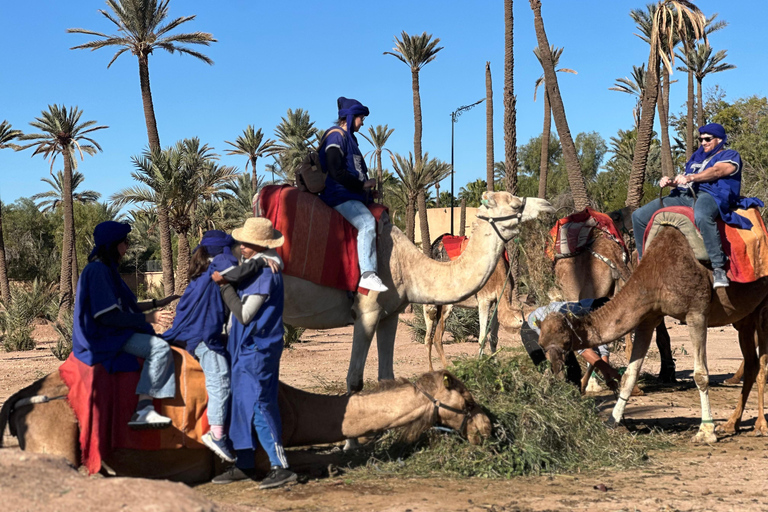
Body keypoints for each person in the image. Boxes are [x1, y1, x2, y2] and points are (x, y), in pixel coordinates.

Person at [210, 218, 297, 489]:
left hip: (257, 349)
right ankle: (245, 463)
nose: (242, 247)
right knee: (241, 404)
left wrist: (224, 287)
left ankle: (280, 466)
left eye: (247, 244)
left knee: (259, 403)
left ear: (259, 246)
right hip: (245, 348)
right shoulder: (256, 267)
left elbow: (245, 315)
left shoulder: (265, 274)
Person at [72, 221, 178, 429]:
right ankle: (144, 409)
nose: (127, 246)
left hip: (111, 331)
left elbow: (127, 306)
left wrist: (157, 303)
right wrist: (149, 318)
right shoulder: (98, 271)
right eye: (125, 242)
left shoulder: (106, 269)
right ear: (113, 245)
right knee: (159, 349)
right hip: (103, 336)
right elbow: (108, 317)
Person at [632, 123, 744, 289]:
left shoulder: (730, 155)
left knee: (702, 216)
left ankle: (718, 267)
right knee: (638, 216)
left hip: (710, 195)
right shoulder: (697, 157)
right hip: (683, 195)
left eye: (708, 139)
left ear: (719, 140)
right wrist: (671, 182)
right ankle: (643, 264)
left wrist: (691, 178)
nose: (703, 142)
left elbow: (717, 171)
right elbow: (684, 180)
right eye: (701, 139)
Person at [318, 96, 388, 293]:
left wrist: (365, 189)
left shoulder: (350, 140)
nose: (362, 123)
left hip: (351, 194)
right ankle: (367, 274)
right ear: (350, 117)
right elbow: (335, 170)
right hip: (339, 195)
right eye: (360, 118)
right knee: (367, 223)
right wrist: (362, 184)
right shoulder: (336, 136)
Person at [522, 297, 620, 392]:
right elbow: (584, 351)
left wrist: (608, 377)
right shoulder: (571, 316)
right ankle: (549, 399)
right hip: (533, 330)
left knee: (574, 373)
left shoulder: (595, 317)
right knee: (549, 370)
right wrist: (610, 370)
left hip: (557, 335)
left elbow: (601, 347)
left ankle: (574, 399)